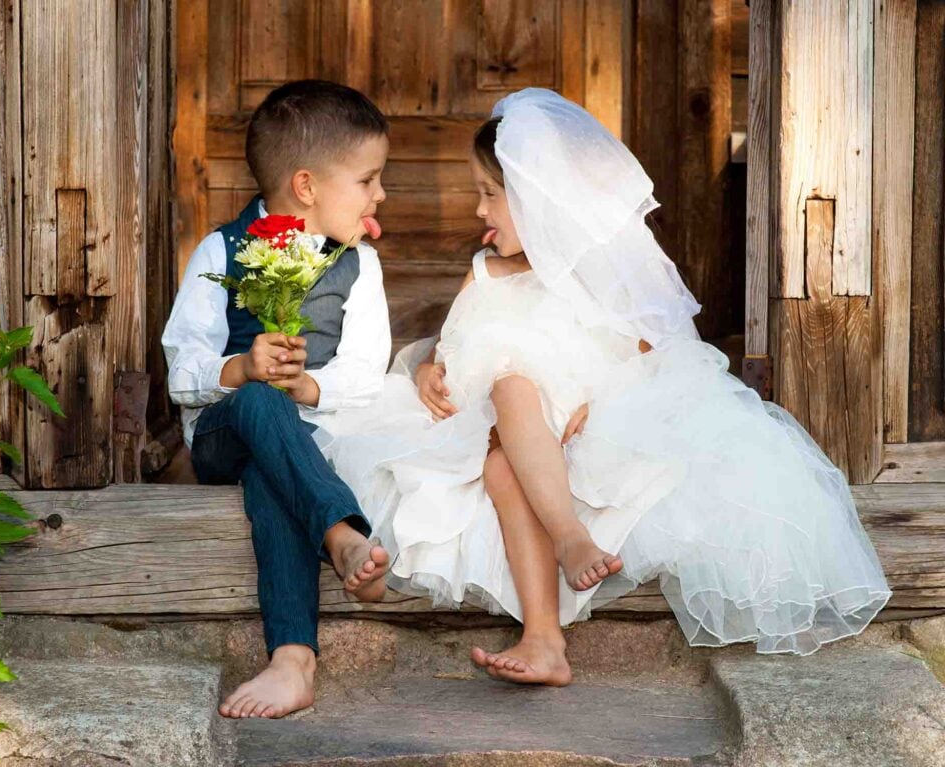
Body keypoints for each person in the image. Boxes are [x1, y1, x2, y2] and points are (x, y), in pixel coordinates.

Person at [314, 88, 892, 687]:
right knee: (498, 465)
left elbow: (650, 352)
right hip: (490, 431)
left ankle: (569, 538)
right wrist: (430, 368)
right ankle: (544, 638)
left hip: (571, 420)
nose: (480, 211)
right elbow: (451, 342)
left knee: (514, 388)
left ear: (539, 199)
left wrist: (605, 398)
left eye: (491, 195)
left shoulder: (593, 278)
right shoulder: (484, 269)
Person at [162, 79, 393, 718]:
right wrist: (240, 368)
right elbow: (181, 370)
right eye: (369, 179)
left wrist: (310, 384)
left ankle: (293, 661)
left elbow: (369, 372)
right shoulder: (222, 251)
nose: (380, 195)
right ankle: (342, 534)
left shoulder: (359, 265)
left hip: (303, 443)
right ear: (307, 186)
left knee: (273, 473)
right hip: (222, 434)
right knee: (263, 405)